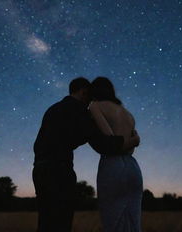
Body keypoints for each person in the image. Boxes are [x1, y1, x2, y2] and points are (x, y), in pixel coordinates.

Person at [32, 77, 140, 232]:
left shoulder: (53, 109)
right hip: (59, 171)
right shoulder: (78, 110)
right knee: (61, 222)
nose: (90, 101)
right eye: (89, 96)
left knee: (46, 221)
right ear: (83, 92)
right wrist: (133, 140)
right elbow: (103, 144)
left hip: (40, 169)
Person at [89, 77, 143, 232]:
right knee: (134, 222)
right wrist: (134, 141)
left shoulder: (95, 106)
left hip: (112, 165)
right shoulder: (128, 114)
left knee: (113, 221)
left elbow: (111, 141)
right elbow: (131, 146)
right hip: (132, 166)